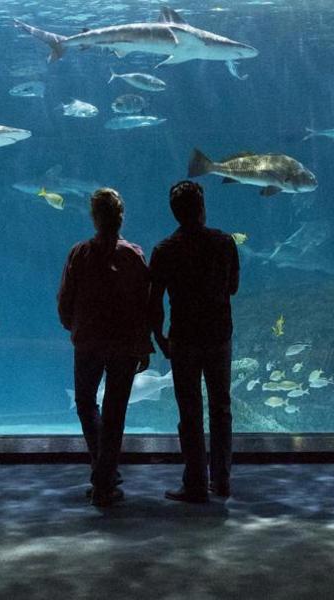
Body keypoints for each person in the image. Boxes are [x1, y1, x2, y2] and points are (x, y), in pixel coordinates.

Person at [57, 188, 153, 507]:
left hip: (88, 343)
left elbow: (65, 301)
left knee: (86, 403)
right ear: (121, 217)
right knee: (115, 411)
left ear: (94, 217)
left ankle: (103, 474)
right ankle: (105, 475)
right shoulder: (134, 255)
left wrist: (76, 327)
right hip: (124, 345)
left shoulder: (79, 253)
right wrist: (144, 345)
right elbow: (145, 305)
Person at [149, 180, 240, 503]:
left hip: (183, 339)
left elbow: (154, 300)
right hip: (218, 336)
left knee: (190, 412)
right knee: (221, 408)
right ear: (202, 208)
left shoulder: (164, 250)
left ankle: (196, 483)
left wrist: (159, 336)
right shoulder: (224, 243)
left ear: (175, 213)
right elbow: (233, 287)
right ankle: (223, 480)